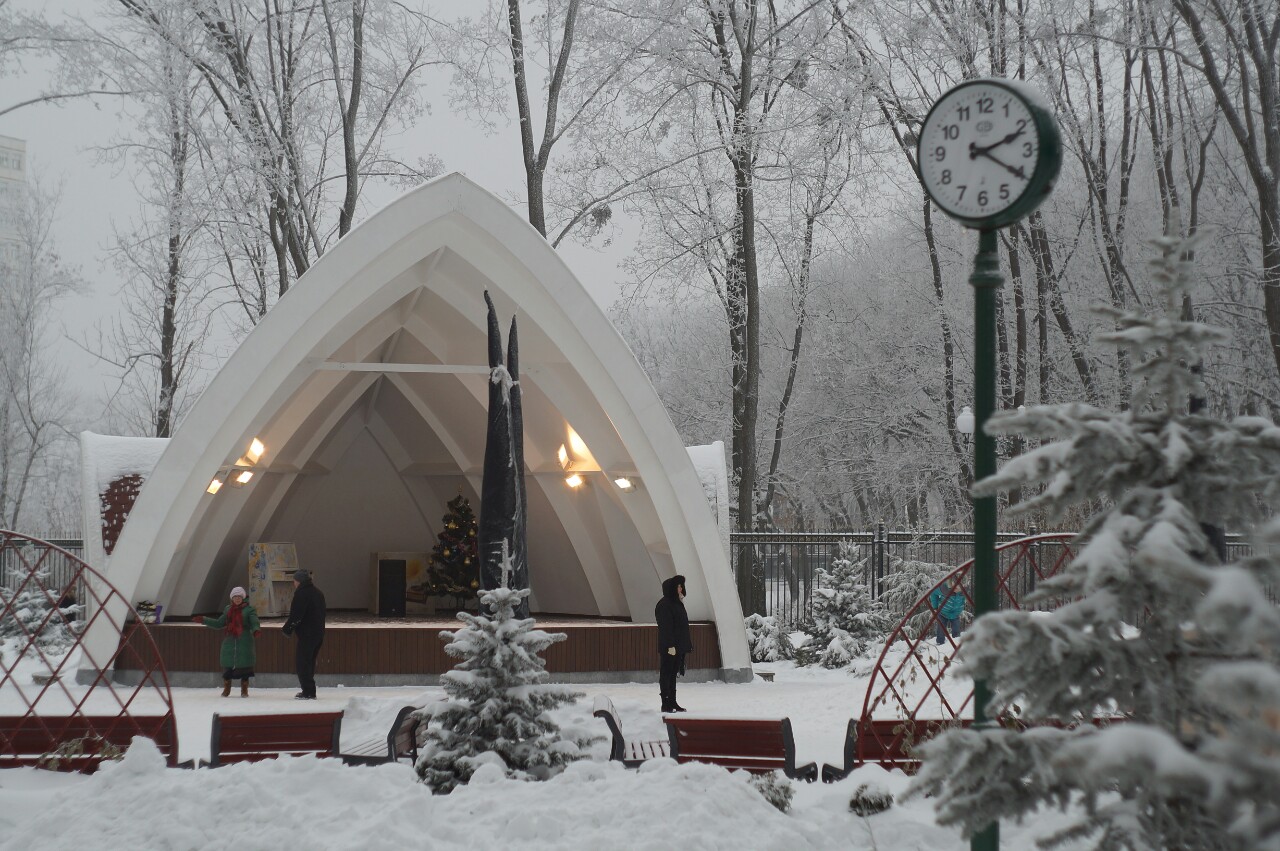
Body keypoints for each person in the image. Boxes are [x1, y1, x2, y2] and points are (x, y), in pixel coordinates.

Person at [192, 586, 260, 697]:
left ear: (243, 598)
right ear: (232, 598)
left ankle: (244, 690)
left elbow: (254, 621)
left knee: (245, 668)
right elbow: (219, 623)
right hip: (230, 641)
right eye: (235, 597)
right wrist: (204, 620)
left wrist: (256, 629)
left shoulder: (249, 610)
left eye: (239, 597)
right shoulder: (228, 609)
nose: (237, 599)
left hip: (244, 642)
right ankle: (226, 689)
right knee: (227, 667)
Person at [282, 569, 326, 700]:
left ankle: (308, 691)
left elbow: (296, 615)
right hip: (318, 633)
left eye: (294, 581)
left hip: (307, 634)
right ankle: (309, 690)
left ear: (299, 581)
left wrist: (287, 629)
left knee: (303, 663)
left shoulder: (302, 594)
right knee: (310, 661)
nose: (293, 583)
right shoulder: (318, 593)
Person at [655, 574, 693, 713]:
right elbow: (666, 627)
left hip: (678, 646)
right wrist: (670, 645)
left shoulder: (677, 603)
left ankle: (672, 701)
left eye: (681, 586)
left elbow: (681, 626)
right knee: (666, 673)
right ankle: (665, 702)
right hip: (670, 647)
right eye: (677, 586)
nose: (680, 588)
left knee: (672, 674)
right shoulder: (665, 605)